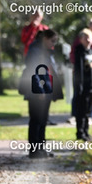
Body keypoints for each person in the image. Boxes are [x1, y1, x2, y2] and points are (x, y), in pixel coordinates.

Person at [18, 29, 63, 159]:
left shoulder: (47, 52)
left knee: (43, 120)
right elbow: (33, 71)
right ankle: (34, 150)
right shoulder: (35, 51)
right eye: (52, 41)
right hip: (37, 91)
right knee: (36, 120)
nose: (53, 44)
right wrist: (39, 90)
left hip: (46, 90)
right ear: (45, 39)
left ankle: (41, 148)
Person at [73, 29, 92, 141]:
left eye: (89, 37)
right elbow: (79, 71)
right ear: (81, 39)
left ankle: (86, 131)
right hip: (83, 87)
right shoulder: (79, 52)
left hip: (91, 86)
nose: (88, 40)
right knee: (81, 111)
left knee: (88, 111)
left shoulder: (91, 51)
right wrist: (79, 86)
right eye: (85, 38)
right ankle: (80, 132)